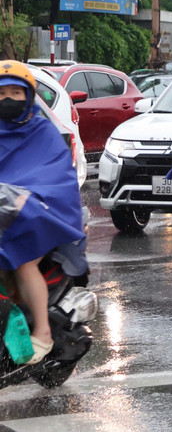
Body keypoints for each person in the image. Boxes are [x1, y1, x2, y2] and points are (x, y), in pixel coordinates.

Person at [0, 61, 85, 364]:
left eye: (15, 92)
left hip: (35, 216)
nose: (8, 98)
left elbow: (54, 177)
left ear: (28, 96)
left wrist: (29, 199)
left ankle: (43, 333)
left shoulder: (41, 131)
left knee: (23, 261)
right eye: (1, 93)